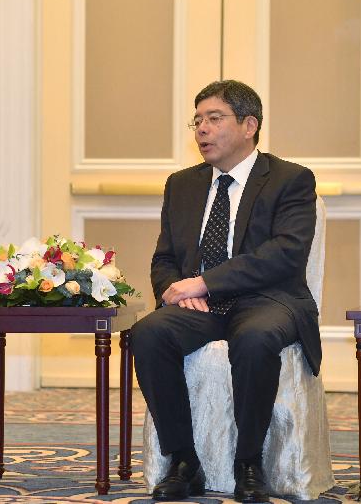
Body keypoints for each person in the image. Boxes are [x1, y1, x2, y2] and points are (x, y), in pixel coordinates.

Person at [131, 80, 319, 503]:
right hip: (201, 304)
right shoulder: (181, 184)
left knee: (254, 339)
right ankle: (184, 461)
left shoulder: (290, 179)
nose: (201, 129)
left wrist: (205, 282)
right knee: (148, 333)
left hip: (269, 300)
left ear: (249, 125)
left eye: (214, 118)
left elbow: (285, 254)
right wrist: (174, 292)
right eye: (197, 120)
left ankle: (248, 463)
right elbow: (164, 260)